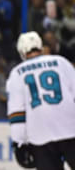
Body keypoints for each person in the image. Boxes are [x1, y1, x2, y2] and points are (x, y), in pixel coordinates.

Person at [6, 31, 75, 170]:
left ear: (21, 52)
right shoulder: (61, 62)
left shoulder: (17, 73)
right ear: (40, 47)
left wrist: (19, 143)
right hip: (70, 129)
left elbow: (17, 113)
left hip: (40, 135)